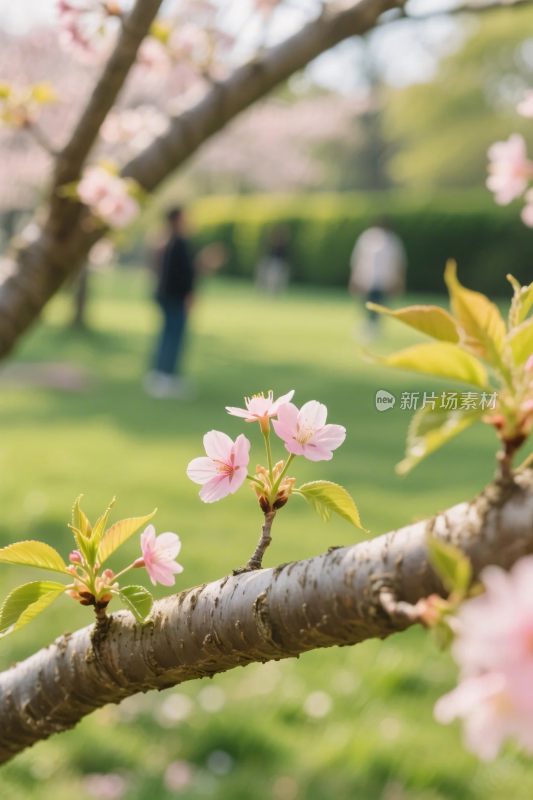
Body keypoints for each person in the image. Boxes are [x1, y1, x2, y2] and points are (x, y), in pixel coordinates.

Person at [145, 207, 195, 398]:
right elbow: (182, 275)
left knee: (168, 335)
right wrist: (188, 295)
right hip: (174, 298)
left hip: (167, 296)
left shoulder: (165, 242)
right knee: (173, 336)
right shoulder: (177, 243)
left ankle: (161, 374)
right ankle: (165, 376)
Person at [349, 218, 406, 336]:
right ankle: (370, 327)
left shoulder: (390, 240)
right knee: (369, 305)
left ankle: (373, 328)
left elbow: (398, 263)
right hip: (369, 279)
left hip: (381, 281)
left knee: (377, 306)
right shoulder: (369, 238)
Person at [256, 225, 291, 295]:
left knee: (273, 275)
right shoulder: (271, 246)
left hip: (278, 263)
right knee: (261, 269)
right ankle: (262, 290)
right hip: (271, 261)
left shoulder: (283, 247)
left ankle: (273, 292)